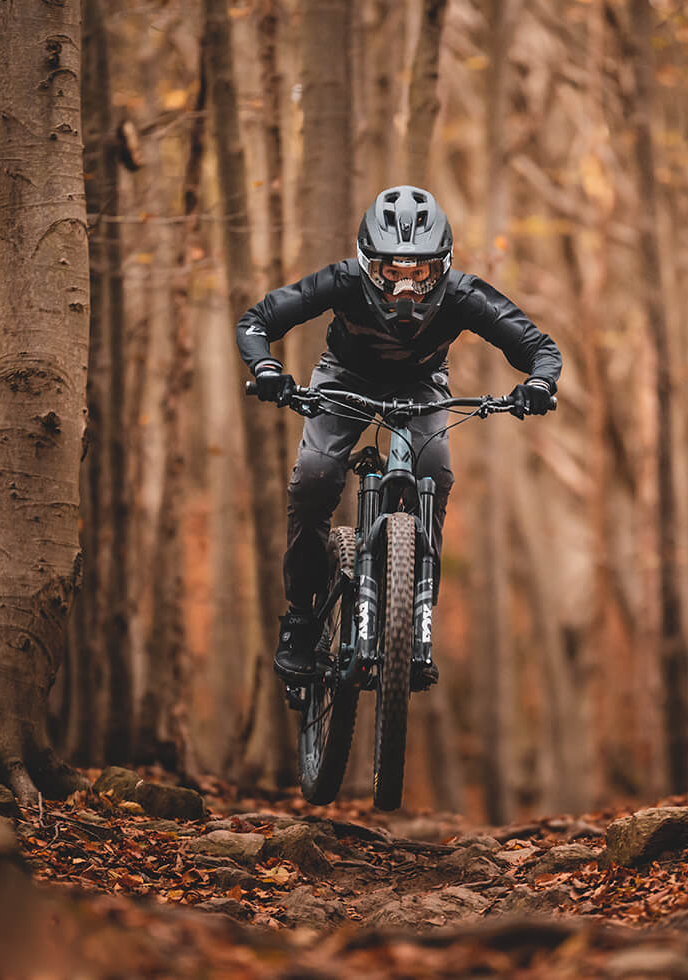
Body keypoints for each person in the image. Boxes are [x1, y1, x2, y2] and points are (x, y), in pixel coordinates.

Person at [238, 185, 561, 686]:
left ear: (442, 266)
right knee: (315, 476)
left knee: (435, 471)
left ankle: (415, 618)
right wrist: (265, 369)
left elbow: (538, 346)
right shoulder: (342, 281)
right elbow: (257, 321)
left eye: (421, 273)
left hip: (422, 386)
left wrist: (538, 384)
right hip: (343, 379)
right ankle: (301, 619)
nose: (406, 289)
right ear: (369, 266)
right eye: (392, 273)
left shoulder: (463, 295)